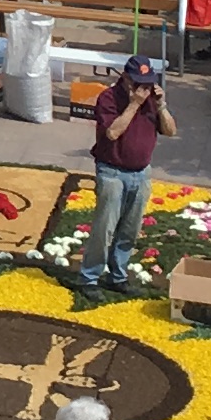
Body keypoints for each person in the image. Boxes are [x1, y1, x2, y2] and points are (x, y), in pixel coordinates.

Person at [80, 54, 176, 289]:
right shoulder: (109, 98)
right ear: (125, 78)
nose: (143, 88)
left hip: (141, 173)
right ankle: (89, 278)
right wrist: (134, 104)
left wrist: (162, 105)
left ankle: (118, 276)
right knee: (105, 228)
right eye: (138, 82)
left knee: (130, 229)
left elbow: (171, 131)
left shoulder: (152, 100)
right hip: (112, 171)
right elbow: (112, 133)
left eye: (148, 83)